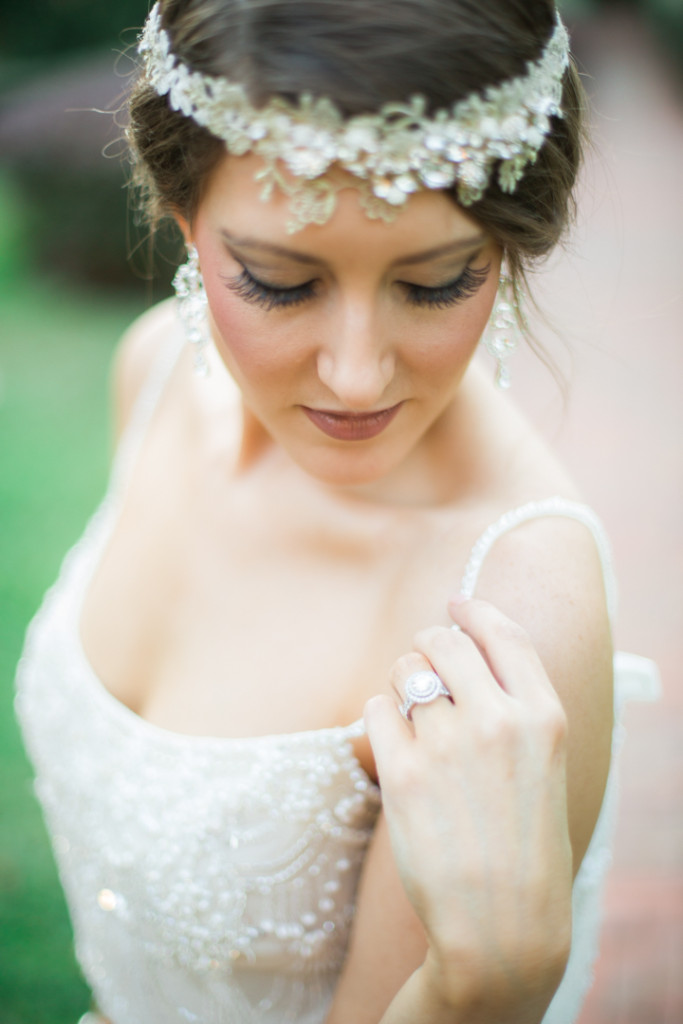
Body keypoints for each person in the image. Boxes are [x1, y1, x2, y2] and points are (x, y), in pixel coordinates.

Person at [14, 1, 660, 1022]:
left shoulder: (507, 615)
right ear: (184, 216)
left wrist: (473, 989)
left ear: (505, 246)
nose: (355, 376)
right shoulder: (154, 374)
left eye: (437, 281)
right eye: (276, 283)